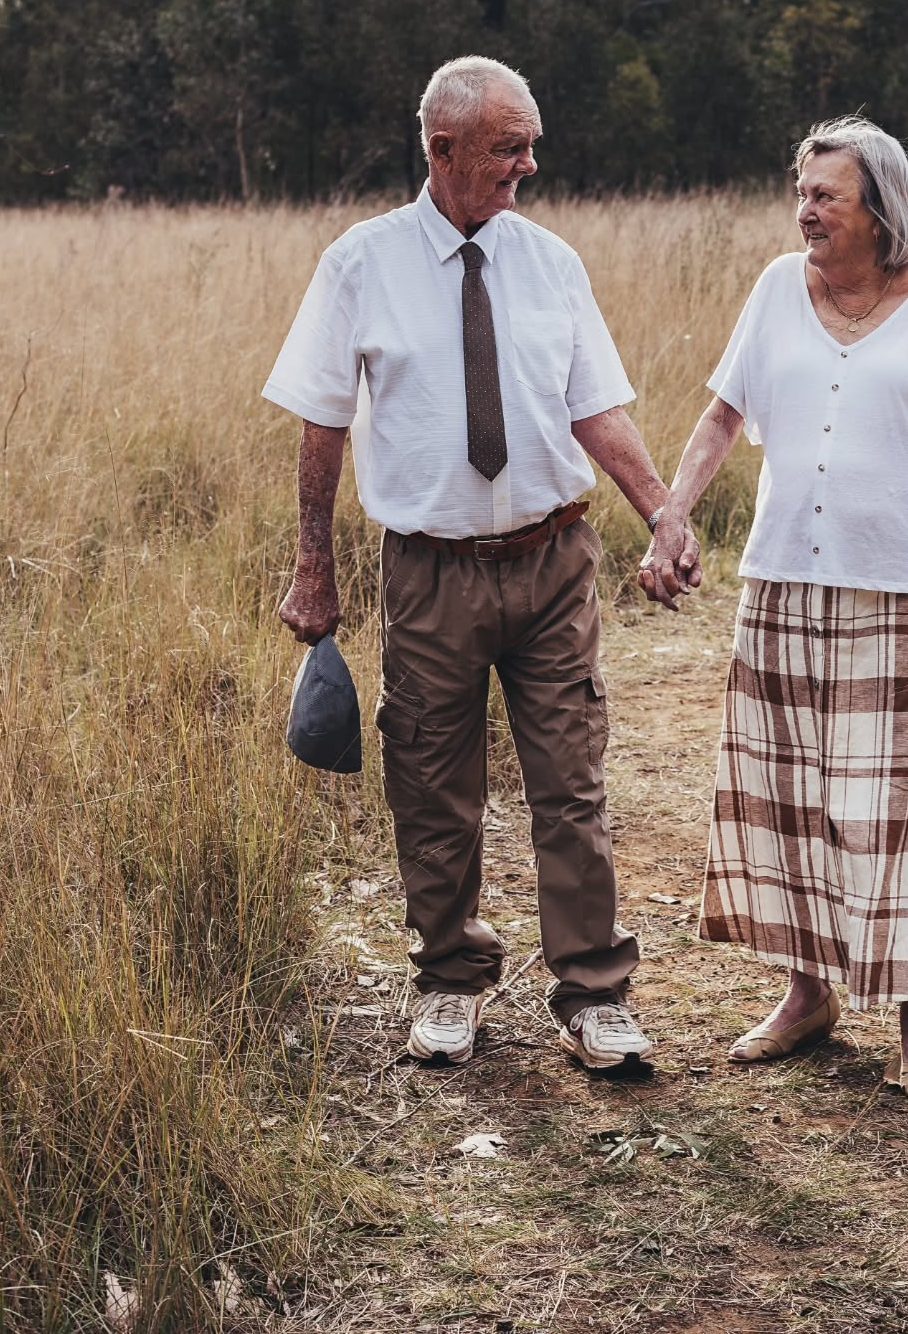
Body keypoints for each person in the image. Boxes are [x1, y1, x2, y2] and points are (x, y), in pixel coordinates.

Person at [264, 55, 698, 1072]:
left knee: (572, 782)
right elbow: (322, 425)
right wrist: (312, 567)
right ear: (443, 149)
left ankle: (593, 993)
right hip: (429, 572)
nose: (530, 166)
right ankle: (451, 980)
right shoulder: (359, 264)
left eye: (532, 143)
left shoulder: (552, 264)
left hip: (554, 566)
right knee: (431, 784)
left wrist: (663, 511)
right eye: (511, 147)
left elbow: (595, 407)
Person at [640, 116, 908, 1100]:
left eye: (825, 196)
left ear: (878, 209)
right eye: (800, 191)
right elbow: (725, 414)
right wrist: (670, 516)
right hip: (782, 584)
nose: (803, 209)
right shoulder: (776, 288)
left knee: (903, 812)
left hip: (902, 589)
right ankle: (806, 993)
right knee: (792, 798)